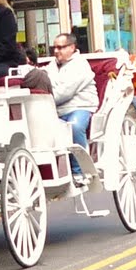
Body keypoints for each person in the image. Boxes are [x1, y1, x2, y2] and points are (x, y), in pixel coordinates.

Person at [48, 34, 97, 181]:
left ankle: (79, 170)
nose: (56, 51)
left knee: (74, 127)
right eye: (54, 47)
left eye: (60, 47)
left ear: (72, 47)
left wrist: (48, 96)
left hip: (80, 106)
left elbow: (65, 91)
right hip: (56, 109)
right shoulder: (51, 65)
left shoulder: (80, 65)